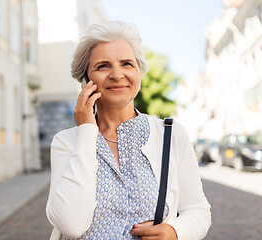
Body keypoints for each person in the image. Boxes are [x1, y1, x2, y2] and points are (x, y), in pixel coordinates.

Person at [46, 21, 211, 240]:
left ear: (139, 72)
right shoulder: (66, 142)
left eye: (126, 64)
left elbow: (198, 210)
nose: (117, 74)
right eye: (103, 66)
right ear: (87, 79)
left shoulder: (170, 135)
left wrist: (175, 232)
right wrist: (86, 131)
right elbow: (71, 225)